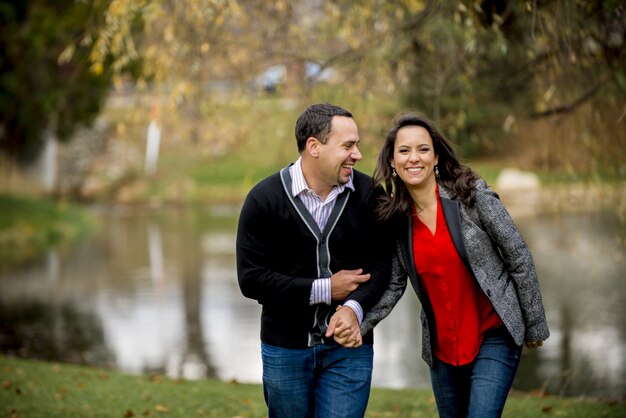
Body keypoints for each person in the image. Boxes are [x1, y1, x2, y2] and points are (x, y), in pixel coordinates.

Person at [357, 111, 550, 418]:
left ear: (436, 156)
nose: (414, 158)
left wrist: (534, 324)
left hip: (494, 333)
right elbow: (394, 284)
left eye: (423, 149)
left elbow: (518, 256)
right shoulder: (396, 220)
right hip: (442, 350)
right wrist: (359, 323)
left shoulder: (472, 195)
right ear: (392, 162)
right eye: (404, 151)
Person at [236, 103, 392, 418]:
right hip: (285, 349)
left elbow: (382, 266)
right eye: (348, 145)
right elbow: (251, 279)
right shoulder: (263, 199)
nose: (358, 154)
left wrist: (353, 308)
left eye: (357, 144)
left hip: (350, 348)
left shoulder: (369, 194)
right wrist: (325, 289)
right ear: (314, 147)